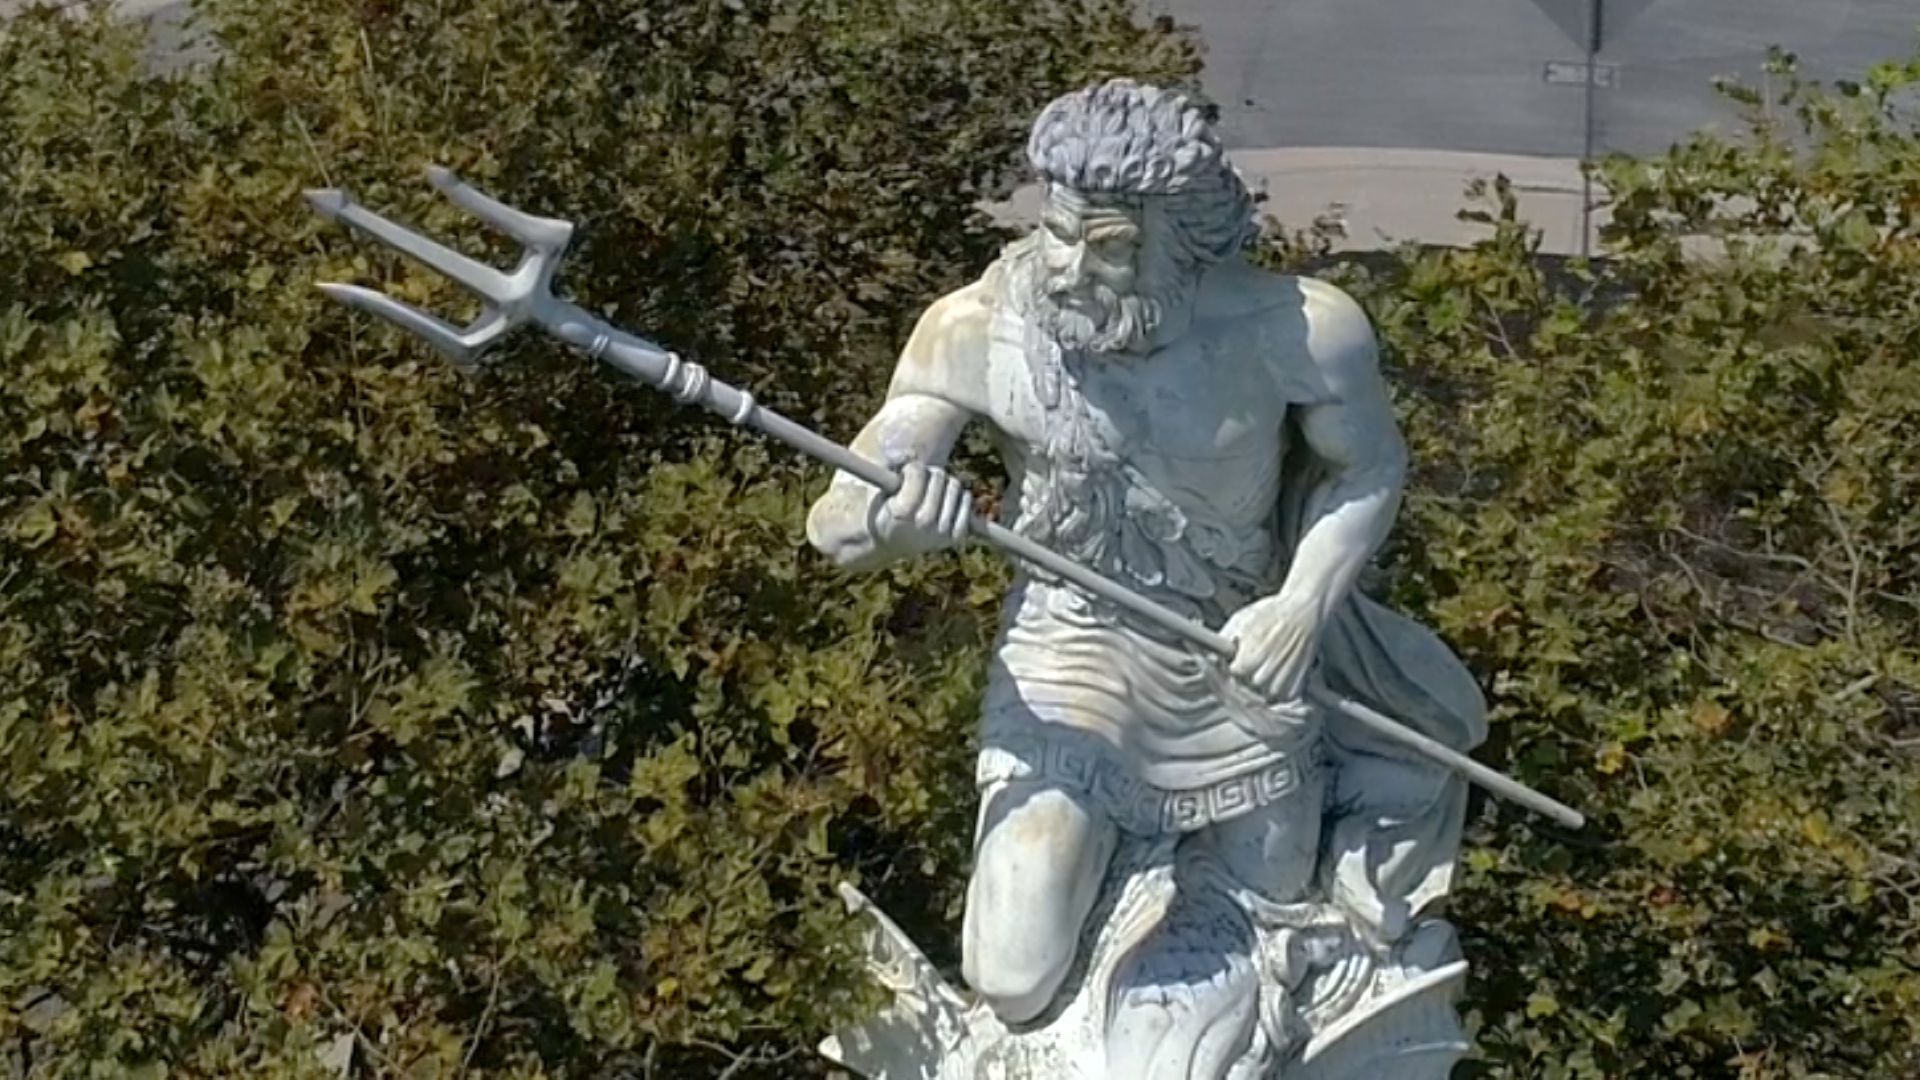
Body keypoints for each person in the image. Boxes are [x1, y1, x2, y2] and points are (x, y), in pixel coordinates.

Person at [806, 80, 1484, 1052]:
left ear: (1183, 241)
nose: (1071, 268)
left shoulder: (1294, 331)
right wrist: (899, 520)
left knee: (1250, 942)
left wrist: (1300, 607)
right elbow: (839, 521)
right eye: (1057, 232)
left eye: (1111, 246)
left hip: (1239, 666)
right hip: (1068, 655)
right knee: (1011, 973)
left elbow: (1369, 469)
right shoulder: (979, 328)